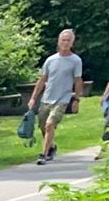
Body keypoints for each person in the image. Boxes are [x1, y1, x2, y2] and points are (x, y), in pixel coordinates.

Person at [27, 28, 84, 164]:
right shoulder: (51, 60)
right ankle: (51, 147)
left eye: (68, 40)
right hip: (47, 98)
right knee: (43, 126)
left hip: (62, 99)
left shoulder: (75, 60)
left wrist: (76, 99)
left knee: (49, 125)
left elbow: (78, 80)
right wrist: (33, 98)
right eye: (63, 40)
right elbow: (42, 80)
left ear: (72, 43)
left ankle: (43, 154)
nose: (65, 43)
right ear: (59, 42)